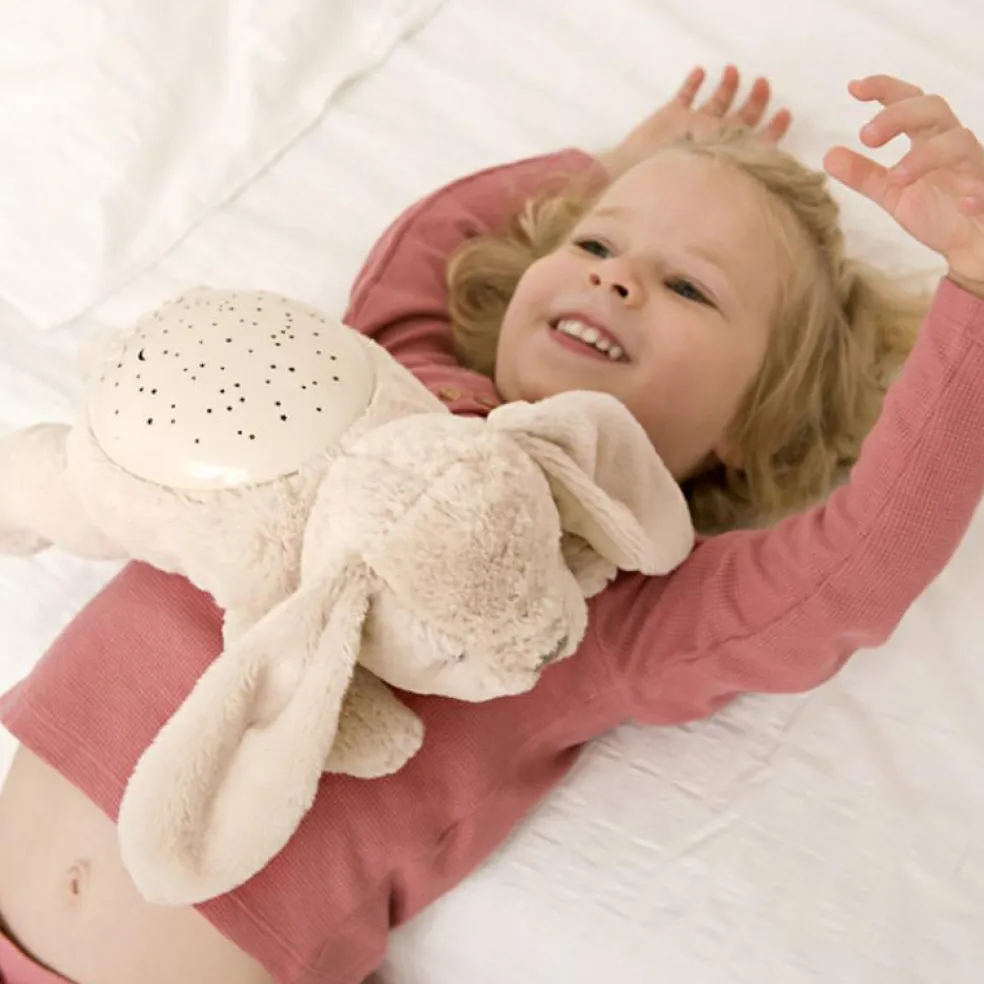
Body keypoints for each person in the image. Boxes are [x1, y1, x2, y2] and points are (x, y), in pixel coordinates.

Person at [0, 65, 982, 984]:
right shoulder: (384, 376)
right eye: (594, 244)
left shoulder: (618, 604)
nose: (616, 278)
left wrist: (974, 289)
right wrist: (602, 163)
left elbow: (854, 571)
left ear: (749, 422)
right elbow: (429, 243)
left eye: (689, 286)